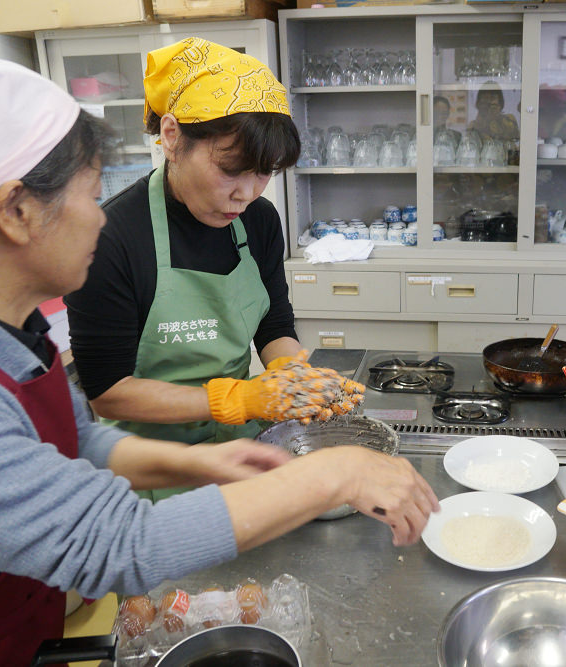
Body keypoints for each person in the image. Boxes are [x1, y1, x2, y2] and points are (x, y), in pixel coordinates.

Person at [0, 58, 438, 665]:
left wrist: (207, 458)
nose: (101, 215)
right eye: (89, 192)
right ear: (16, 209)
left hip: (26, 621)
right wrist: (331, 473)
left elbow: (76, 443)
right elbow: (118, 542)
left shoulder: (1, 328)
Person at [65, 39, 364, 500]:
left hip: (241, 451)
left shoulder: (259, 221)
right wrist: (239, 398)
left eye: (264, 172)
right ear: (171, 136)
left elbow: (273, 322)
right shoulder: (112, 238)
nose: (246, 193)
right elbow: (107, 391)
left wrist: (291, 376)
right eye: (231, 169)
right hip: (150, 470)